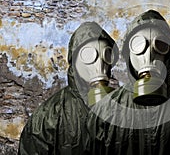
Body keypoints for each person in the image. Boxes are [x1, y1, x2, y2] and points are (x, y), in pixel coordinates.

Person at [87, 9, 170, 155]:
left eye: (159, 45)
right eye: (139, 45)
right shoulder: (104, 111)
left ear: (168, 54)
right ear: (128, 54)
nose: (149, 54)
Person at [18, 21, 118, 155]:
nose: (99, 64)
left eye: (106, 55)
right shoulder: (49, 116)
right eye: (88, 55)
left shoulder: (123, 109)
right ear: (74, 60)